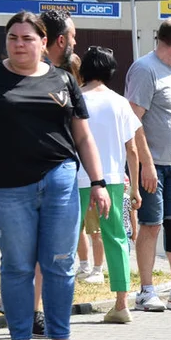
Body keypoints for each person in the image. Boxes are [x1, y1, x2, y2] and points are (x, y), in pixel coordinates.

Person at [0, 11, 111, 340]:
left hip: (60, 180)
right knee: (18, 264)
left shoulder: (64, 81)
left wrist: (97, 182)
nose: (19, 44)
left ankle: (60, 338)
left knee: (60, 261)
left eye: (27, 38)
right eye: (13, 38)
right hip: (7, 187)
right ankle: (20, 338)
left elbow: (83, 137)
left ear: (43, 43)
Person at [124, 17, 171, 312]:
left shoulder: (169, 69)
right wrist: (146, 165)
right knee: (151, 225)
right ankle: (145, 291)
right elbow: (133, 121)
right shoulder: (145, 69)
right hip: (152, 164)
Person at [75, 46, 142, 324]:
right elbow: (133, 150)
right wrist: (135, 188)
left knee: (66, 238)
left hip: (77, 177)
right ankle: (121, 303)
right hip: (113, 180)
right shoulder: (120, 102)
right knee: (116, 238)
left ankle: (52, 299)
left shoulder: (76, 98)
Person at [68, 53, 107, 286]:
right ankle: (91, 267)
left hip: (84, 173)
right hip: (89, 173)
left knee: (84, 226)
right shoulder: (80, 96)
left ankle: (92, 267)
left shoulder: (79, 98)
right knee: (90, 227)